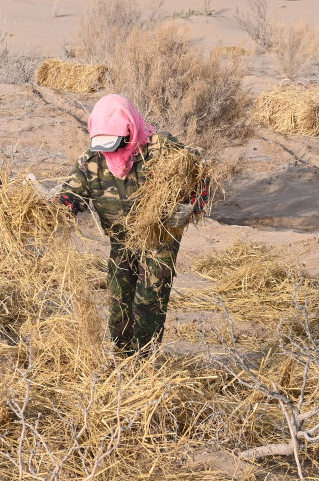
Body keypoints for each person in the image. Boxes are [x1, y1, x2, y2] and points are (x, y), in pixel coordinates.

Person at [40, 94, 209, 356]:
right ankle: (122, 358)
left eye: (116, 144)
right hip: (121, 241)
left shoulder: (160, 149)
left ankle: (144, 361)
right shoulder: (91, 162)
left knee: (148, 303)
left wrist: (189, 206)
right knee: (119, 300)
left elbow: (200, 175)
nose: (111, 152)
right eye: (104, 146)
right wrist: (47, 212)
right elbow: (69, 197)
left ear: (130, 130)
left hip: (159, 240)